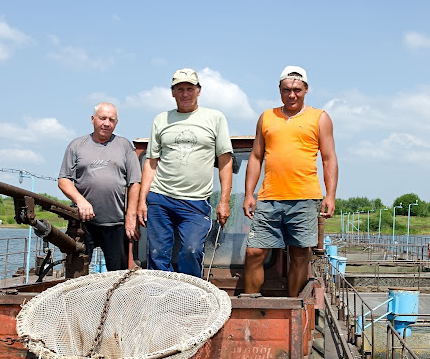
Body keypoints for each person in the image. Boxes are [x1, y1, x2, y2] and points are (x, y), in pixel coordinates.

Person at [243, 65, 338, 297]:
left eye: (297, 89)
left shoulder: (320, 118)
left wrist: (330, 195)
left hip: (305, 197)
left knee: (299, 254)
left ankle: (293, 306)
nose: (291, 95)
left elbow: (328, 158)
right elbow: (256, 157)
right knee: (254, 252)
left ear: (306, 90)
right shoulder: (266, 117)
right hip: (269, 197)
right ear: (280, 90)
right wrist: (249, 194)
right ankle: (252, 303)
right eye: (287, 90)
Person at [137, 68, 233, 277]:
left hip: (195, 201)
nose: (185, 94)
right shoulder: (161, 120)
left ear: (198, 91)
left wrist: (224, 200)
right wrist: (142, 200)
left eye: (190, 88)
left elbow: (225, 161)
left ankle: (190, 298)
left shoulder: (214, 118)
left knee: (191, 250)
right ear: (173, 93)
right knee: (157, 253)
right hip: (161, 198)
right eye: (180, 89)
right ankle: (159, 298)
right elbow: (151, 162)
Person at [58, 102, 141, 270]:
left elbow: (135, 182)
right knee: (77, 272)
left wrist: (131, 216)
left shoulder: (124, 146)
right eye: (102, 118)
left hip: (116, 223)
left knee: (118, 276)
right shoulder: (76, 145)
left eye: (111, 120)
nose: (106, 123)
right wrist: (80, 201)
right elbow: (64, 180)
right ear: (93, 119)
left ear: (116, 123)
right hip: (82, 224)